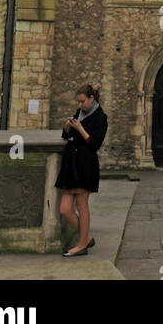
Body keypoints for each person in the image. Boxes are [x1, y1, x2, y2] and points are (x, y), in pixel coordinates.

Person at [55, 83, 108, 255]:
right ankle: (87, 238)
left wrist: (81, 129)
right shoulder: (80, 112)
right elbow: (67, 136)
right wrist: (68, 126)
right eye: (78, 102)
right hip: (71, 163)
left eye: (82, 101)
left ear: (91, 99)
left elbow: (94, 144)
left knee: (82, 205)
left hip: (86, 164)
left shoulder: (101, 117)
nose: (79, 105)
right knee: (64, 209)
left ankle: (82, 245)